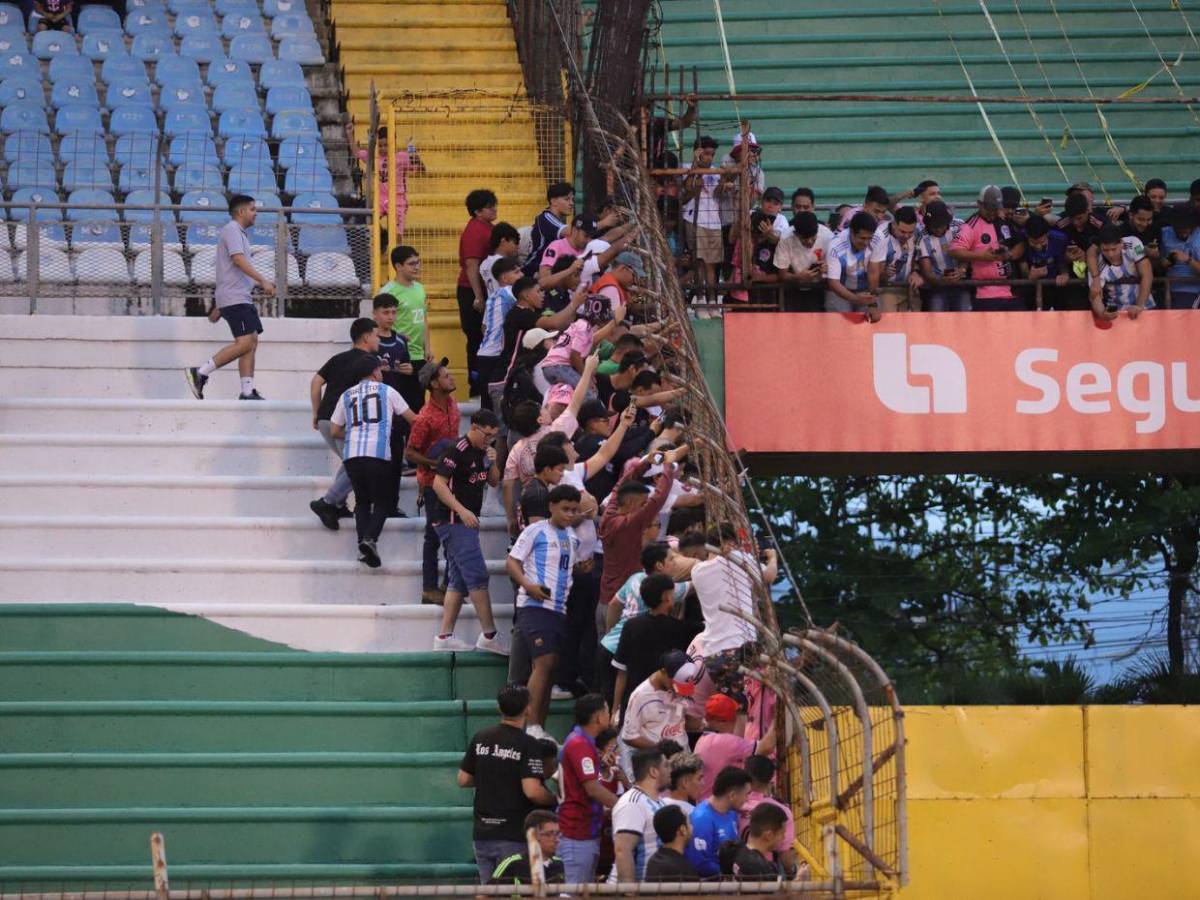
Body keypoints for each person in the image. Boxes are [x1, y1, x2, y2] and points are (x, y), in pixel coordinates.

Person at [428, 408, 508, 654]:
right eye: (486, 435)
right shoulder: (456, 450)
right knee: (477, 576)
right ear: (473, 427)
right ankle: (489, 634)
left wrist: (493, 460)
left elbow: (494, 481)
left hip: (466, 522)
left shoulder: (483, 452)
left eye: (494, 436)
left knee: (458, 581)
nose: (489, 440)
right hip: (453, 520)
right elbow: (438, 484)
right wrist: (461, 510)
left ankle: (444, 637)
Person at [459, 684, 557, 884]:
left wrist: (493, 773)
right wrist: (556, 798)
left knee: (489, 892)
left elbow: (463, 779)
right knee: (513, 891)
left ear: (499, 708)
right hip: (512, 835)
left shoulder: (481, 737)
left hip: (481, 833)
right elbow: (532, 791)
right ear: (528, 709)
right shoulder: (528, 744)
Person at [507, 483, 583, 737]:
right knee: (544, 661)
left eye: (574, 510)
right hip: (535, 605)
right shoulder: (535, 531)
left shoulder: (573, 537)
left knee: (549, 670)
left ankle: (539, 726)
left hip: (559, 609)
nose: (570, 514)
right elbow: (512, 561)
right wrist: (528, 585)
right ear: (551, 506)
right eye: (565, 509)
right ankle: (531, 726)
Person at [328, 355, 416, 567]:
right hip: (377, 453)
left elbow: (334, 429)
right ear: (375, 372)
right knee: (383, 501)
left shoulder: (347, 394)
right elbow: (413, 419)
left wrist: (357, 432)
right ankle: (370, 539)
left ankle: (362, 547)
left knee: (362, 501)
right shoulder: (387, 391)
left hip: (352, 454)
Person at [185, 195, 274, 400]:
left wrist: (219, 305)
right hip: (235, 298)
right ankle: (199, 373)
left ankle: (247, 390)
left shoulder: (239, 233)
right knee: (244, 343)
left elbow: (231, 271)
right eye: (252, 209)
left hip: (238, 297)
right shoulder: (232, 230)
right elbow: (238, 260)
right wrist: (262, 280)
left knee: (251, 341)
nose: (256, 213)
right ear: (241, 212)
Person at [308, 318, 382, 531]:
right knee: (359, 465)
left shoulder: (337, 358)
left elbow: (316, 382)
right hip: (344, 423)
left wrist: (316, 411)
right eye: (376, 335)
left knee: (351, 462)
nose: (378, 339)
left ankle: (337, 504)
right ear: (367, 337)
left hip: (325, 419)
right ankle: (328, 503)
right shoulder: (369, 362)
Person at [599, 544, 692, 704]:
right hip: (626, 654)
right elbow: (695, 584)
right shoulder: (666, 589)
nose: (675, 563)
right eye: (671, 559)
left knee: (601, 706)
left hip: (607, 647)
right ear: (659, 565)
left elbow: (614, 604)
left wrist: (610, 633)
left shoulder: (634, 578)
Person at [598, 446, 685, 607]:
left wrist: (646, 463)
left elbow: (620, 485)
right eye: (642, 503)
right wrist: (668, 466)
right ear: (630, 503)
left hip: (605, 599)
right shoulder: (627, 524)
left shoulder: (610, 513)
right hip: (624, 603)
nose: (645, 506)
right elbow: (658, 499)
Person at [612, 572, 703, 722]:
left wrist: (615, 709)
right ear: (667, 597)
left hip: (633, 704)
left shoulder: (631, 626)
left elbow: (621, 672)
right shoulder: (680, 629)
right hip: (665, 708)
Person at [405, 357, 459, 605]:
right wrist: (435, 464)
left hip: (453, 480)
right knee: (434, 535)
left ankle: (449, 584)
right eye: (446, 376)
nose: (451, 378)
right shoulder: (425, 417)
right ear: (435, 384)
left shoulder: (453, 405)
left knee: (453, 533)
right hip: (432, 482)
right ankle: (429, 587)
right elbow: (410, 452)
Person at [558, 694, 620, 885]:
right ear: (598, 718)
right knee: (573, 893)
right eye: (608, 711)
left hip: (586, 831)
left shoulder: (584, 742)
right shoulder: (580, 745)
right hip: (577, 832)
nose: (610, 714)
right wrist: (624, 806)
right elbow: (592, 788)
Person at [948, 185, 1023, 312]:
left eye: (996, 208)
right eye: (989, 209)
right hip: (985, 295)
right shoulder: (971, 225)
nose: (993, 213)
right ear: (979, 204)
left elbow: (1021, 243)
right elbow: (954, 250)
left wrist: (1009, 255)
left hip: (1013, 292)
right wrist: (983, 256)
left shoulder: (1005, 219)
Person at [619, 650, 702, 761]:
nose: (678, 692)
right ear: (663, 672)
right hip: (659, 762)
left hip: (683, 757)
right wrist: (662, 749)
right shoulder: (641, 696)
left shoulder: (681, 686)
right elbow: (629, 737)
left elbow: (681, 719)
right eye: (676, 685)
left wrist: (706, 723)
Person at [694, 693, 775, 801]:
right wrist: (777, 717)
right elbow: (767, 747)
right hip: (718, 809)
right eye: (733, 718)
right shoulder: (723, 742)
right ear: (720, 721)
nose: (735, 721)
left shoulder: (704, 739)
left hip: (709, 804)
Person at [458, 188, 498, 396]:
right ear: (477, 211)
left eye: (494, 205)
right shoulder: (475, 231)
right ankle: (476, 385)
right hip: (472, 291)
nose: (494, 209)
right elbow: (471, 265)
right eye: (489, 206)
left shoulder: (486, 227)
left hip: (482, 290)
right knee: (476, 338)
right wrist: (478, 296)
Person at [679, 135, 728, 304]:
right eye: (705, 154)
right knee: (698, 261)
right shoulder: (686, 167)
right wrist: (695, 166)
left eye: (711, 154)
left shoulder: (715, 172)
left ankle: (712, 300)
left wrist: (723, 182)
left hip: (713, 221)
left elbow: (718, 195)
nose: (709, 158)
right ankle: (699, 299)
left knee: (711, 264)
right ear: (697, 153)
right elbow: (685, 192)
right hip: (694, 219)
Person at [609, 747, 669, 883]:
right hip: (632, 892)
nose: (670, 769)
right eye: (665, 765)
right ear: (654, 772)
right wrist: (630, 893)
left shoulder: (659, 802)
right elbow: (623, 850)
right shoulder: (632, 804)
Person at [686, 766, 752, 877]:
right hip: (711, 890)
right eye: (747, 794)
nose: (747, 799)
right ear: (732, 795)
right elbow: (699, 864)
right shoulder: (702, 819)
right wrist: (732, 873)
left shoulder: (732, 813)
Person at [476, 256, 523, 409]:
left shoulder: (493, 296)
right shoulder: (510, 293)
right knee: (501, 404)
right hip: (497, 355)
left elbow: (484, 327)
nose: (521, 275)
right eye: (516, 272)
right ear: (504, 277)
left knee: (487, 403)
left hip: (484, 354)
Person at [738, 755, 798, 875]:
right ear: (771, 778)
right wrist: (794, 871)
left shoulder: (735, 805)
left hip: (735, 871)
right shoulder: (780, 810)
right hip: (766, 875)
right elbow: (786, 858)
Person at [379, 245, 431, 370]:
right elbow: (380, 325)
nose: (417, 267)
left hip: (420, 355)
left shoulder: (420, 288)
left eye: (418, 262)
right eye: (411, 264)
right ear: (398, 266)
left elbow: (423, 320)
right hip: (399, 355)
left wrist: (428, 348)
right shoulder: (388, 292)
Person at [1089, 225, 1153, 320]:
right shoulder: (1095, 265)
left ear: (1121, 243)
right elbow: (1094, 295)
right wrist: (1102, 313)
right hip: (1117, 315)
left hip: (1146, 307)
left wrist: (1139, 306)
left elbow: (1147, 275)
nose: (1110, 254)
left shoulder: (1134, 244)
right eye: (1105, 250)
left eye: (1114, 249)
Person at [824, 211, 880, 320]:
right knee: (839, 323)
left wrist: (872, 304)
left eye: (869, 238)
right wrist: (856, 299)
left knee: (871, 320)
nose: (866, 243)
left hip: (865, 289)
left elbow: (873, 272)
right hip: (839, 290)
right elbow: (833, 283)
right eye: (862, 238)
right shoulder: (835, 246)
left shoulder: (878, 239)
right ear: (851, 233)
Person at [774, 211, 833, 312]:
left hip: (820, 288)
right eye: (805, 239)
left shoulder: (828, 236)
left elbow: (837, 271)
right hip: (793, 287)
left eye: (813, 238)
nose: (810, 242)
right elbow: (782, 275)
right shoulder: (786, 238)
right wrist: (797, 277)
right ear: (796, 234)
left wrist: (828, 270)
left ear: (817, 230)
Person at [488, 809, 566, 886]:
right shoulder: (512, 864)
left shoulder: (559, 864)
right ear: (533, 835)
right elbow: (484, 896)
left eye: (557, 834)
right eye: (549, 834)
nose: (557, 840)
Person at [917, 201, 970, 312]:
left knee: (964, 316)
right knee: (937, 317)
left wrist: (961, 270)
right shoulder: (921, 237)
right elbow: (927, 272)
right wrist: (941, 280)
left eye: (940, 225)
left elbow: (967, 251)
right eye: (933, 226)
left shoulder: (959, 227)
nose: (937, 229)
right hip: (937, 286)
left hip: (962, 283)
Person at [868, 205, 923, 311]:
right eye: (902, 232)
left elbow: (919, 256)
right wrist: (885, 273)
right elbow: (873, 272)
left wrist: (916, 272)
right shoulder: (880, 237)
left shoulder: (917, 231)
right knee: (890, 324)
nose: (906, 236)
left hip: (909, 288)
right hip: (886, 290)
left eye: (910, 232)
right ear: (893, 224)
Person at [1019, 215, 1071, 311]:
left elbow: (1063, 262)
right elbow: (1022, 264)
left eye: (1042, 242)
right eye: (1033, 243)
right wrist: (1029, 275)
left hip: (1055, 284)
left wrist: (1064, 274)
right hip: (1032, 288)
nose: (1038, 246)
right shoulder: (1021, 237)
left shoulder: (1060, 239)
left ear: (1047, 234)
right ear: (1027, 236)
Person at [728, 803, 791, 879]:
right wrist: (799, 879)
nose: (784, 837)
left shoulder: (735, 851)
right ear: (769, 835)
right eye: (782, 833)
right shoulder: (758, 868)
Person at [525, 181, 576, 277]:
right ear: (553, 201)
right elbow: (569, 232)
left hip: (547, 270)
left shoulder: (558, 221)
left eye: (572, 200)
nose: (571, 203)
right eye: (567, 199)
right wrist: (603, 223)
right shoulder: (545, 217)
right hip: (532, 270)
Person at [644, 804, 699, 881]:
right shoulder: (683, 870)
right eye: (689, 823)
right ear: (682, 830)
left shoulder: (653, 861)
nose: (692, 827)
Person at [1161, 203, 1200, 308]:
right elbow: (1159, 262)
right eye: (1179, 228)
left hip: (1193, 288)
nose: (1183, 232)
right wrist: (1164, 262)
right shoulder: (1164, 233)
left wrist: (1188, 259)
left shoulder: (1198, 237)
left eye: (1186, 228)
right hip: (1172, 287)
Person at [481, 222, 521, 296]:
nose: (518, 246)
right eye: (516, 242)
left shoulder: (484, 264)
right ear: (503, 241)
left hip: (493, 303)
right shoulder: (506, 264)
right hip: (506, 303)